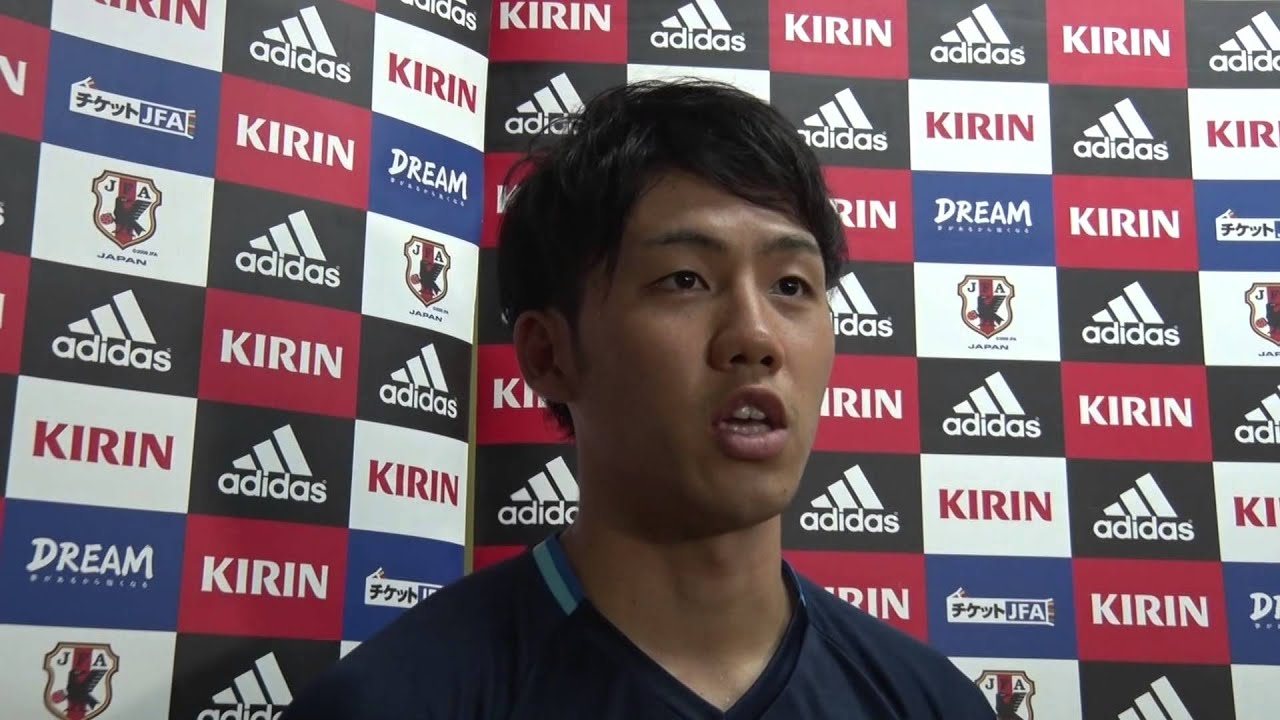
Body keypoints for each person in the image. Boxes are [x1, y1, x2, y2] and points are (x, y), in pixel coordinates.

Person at [281, 79, 994, 719]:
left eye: (791, 285)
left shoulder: (930, 701)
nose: (755, 337)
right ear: (549, 355)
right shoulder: (395, 700)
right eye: (684, 279)